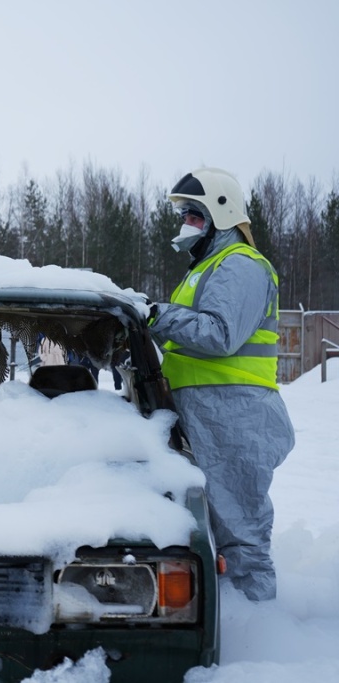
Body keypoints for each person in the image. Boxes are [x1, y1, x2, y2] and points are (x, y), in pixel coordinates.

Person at [148, 167, 295, 602]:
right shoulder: (207, 267)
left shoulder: (241, 265)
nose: (186, 224)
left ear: (220, 213)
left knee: (240, 537)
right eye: (185, 215)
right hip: (211, 415)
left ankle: (254, 633)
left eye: (194, 215)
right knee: (213, 531)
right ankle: (223, 620)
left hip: (235, 416)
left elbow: (219, 334)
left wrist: (158, 316)